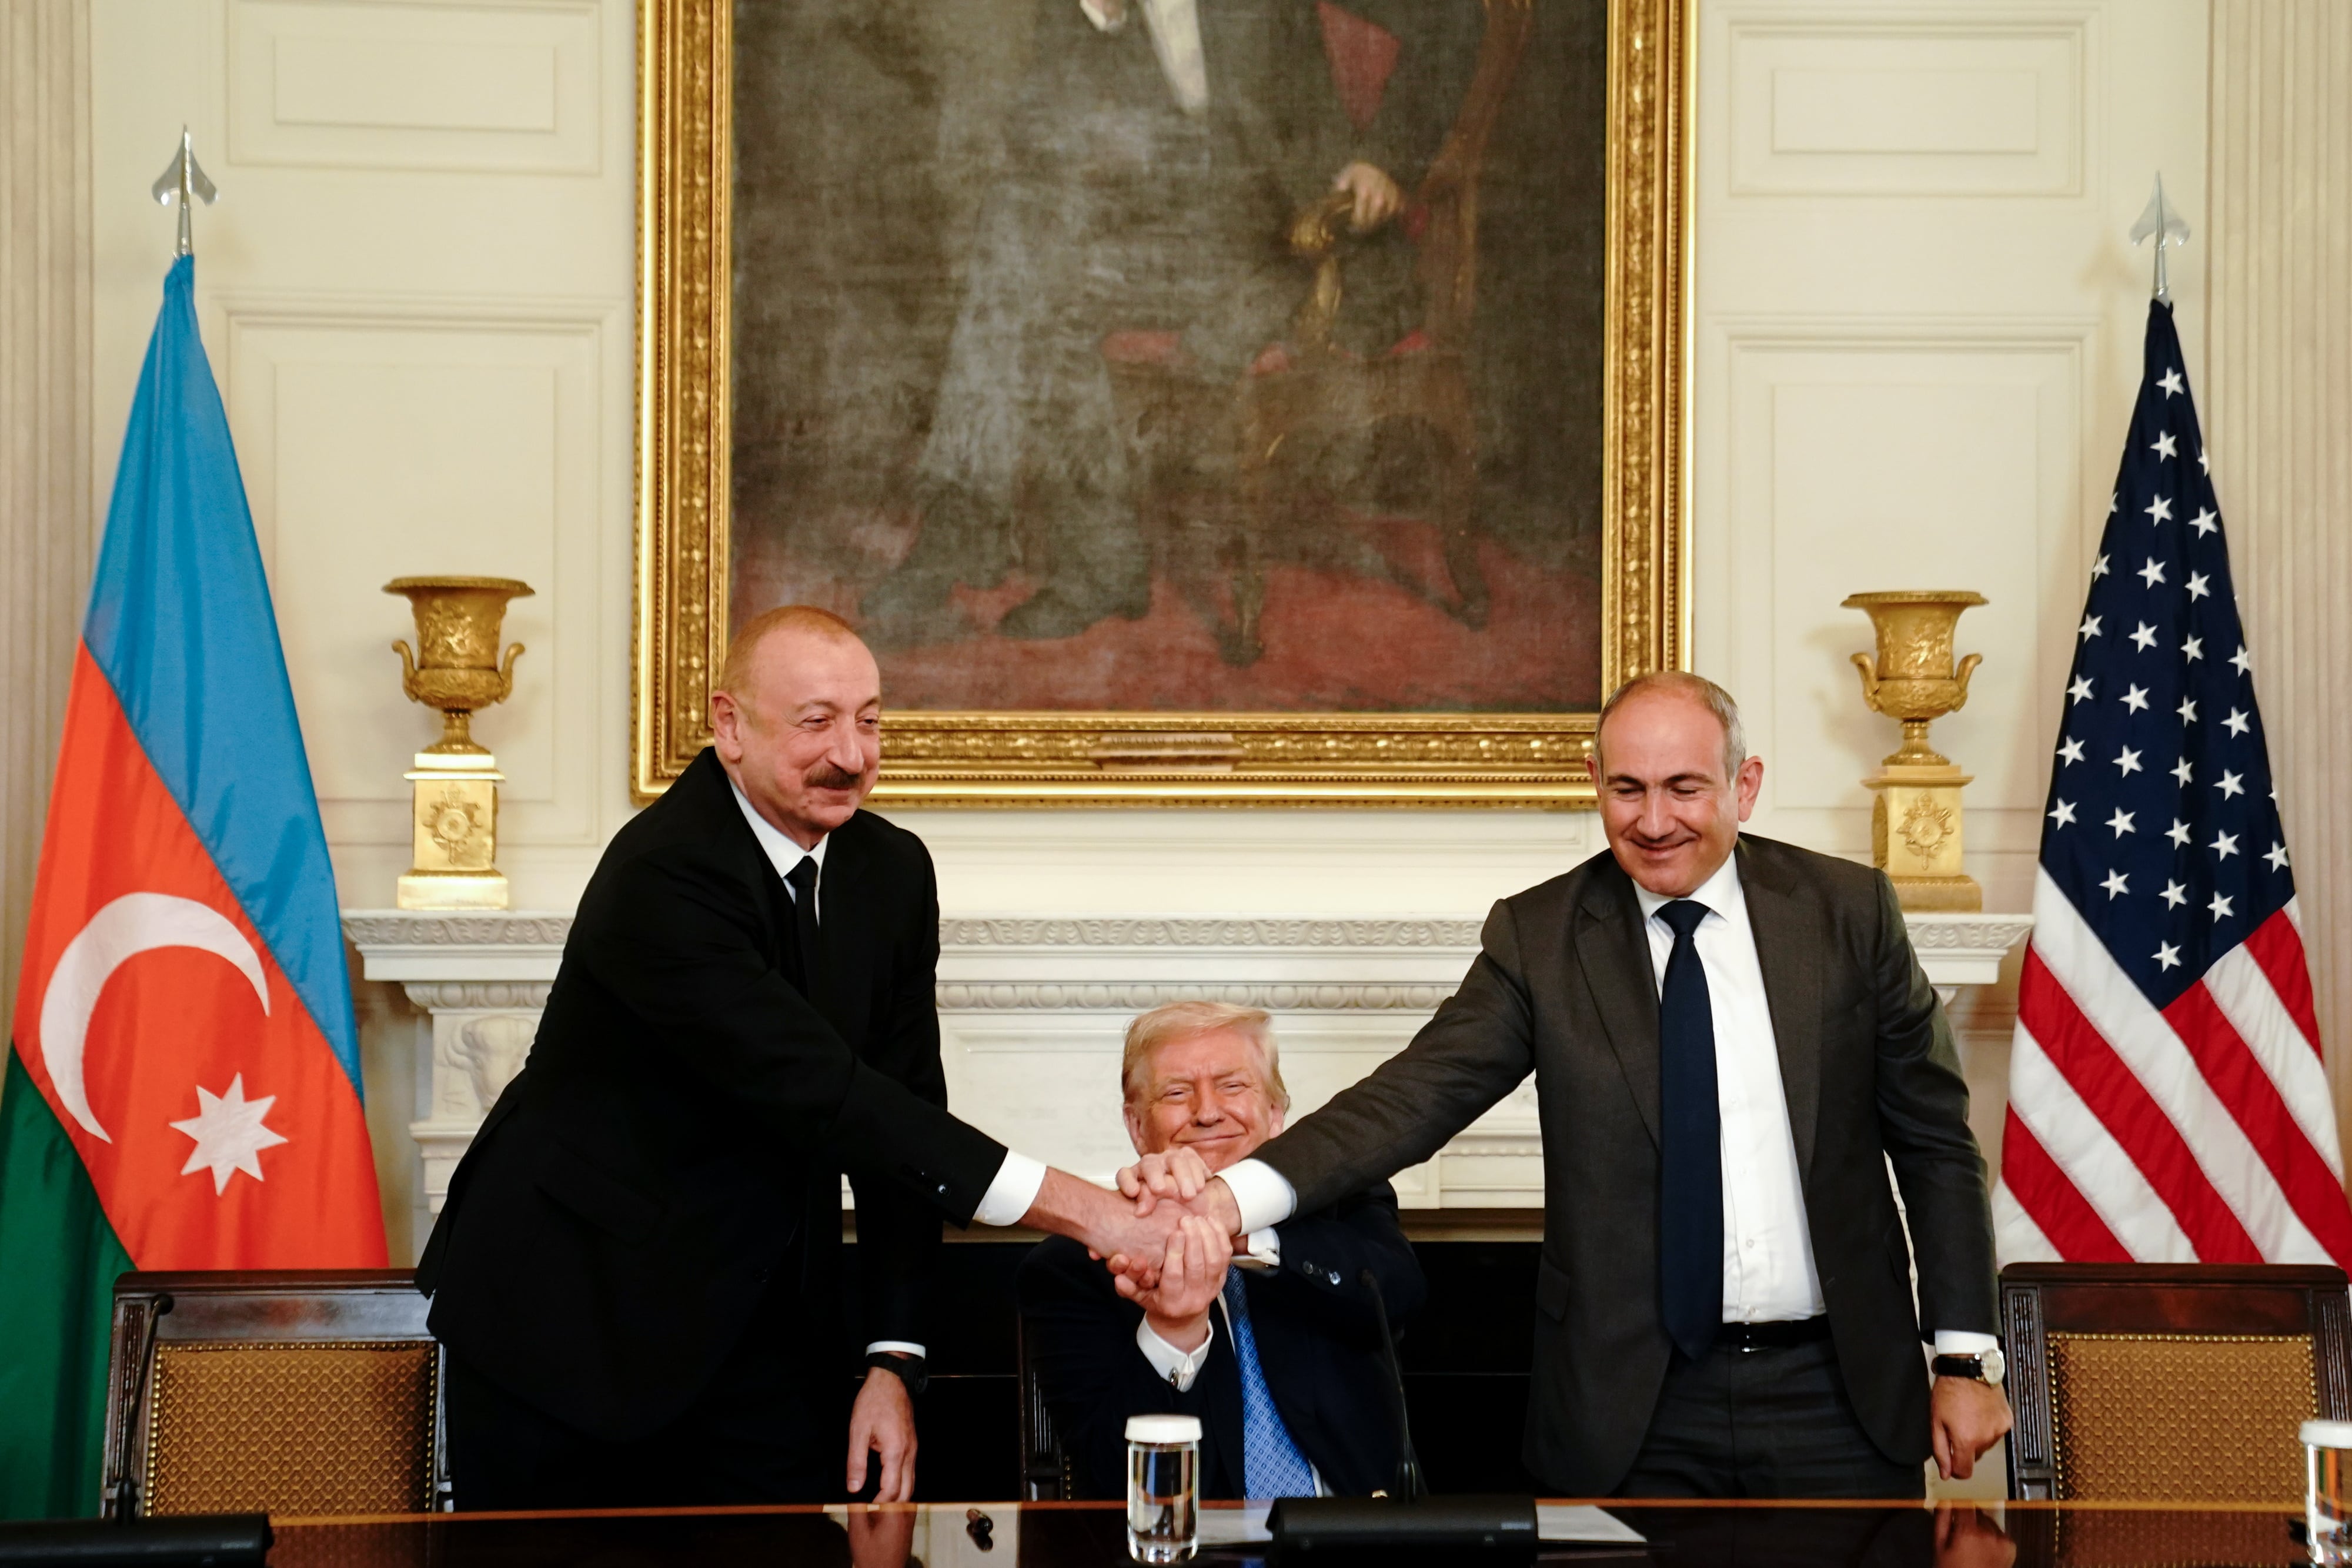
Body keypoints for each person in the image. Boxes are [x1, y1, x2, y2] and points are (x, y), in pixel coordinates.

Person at [1122, 671, 2013, 1497]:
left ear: (1744, 786)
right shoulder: (1541, 936)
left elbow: (1936, 1141)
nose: (1654, 819)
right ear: (1596, 782)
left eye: (1684, 788)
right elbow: (1412, 1096)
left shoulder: (1847, 912)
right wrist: (1224, 1200)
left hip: (1843, 1390)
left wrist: (1964, 1356)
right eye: (1628, 789)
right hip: (1634, 1405)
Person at [415, 606, 1194, 1509]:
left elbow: (908, 1119)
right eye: (817, 721)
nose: (852, 755)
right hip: (568, 1323)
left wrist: (893, 1359)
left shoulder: (892, 871)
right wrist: (1096, 1212)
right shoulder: (664, 875)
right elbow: (838, 1099)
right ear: (729, 724)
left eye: (870, 719)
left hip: (768, 1330)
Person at [861, 0, 1466, 645]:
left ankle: (1003, 537)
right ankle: (1053, 548)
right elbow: (1040, 144)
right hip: (1180, 235)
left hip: (1300, 242)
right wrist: (1101, 23)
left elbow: (1455, 19)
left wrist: (1385, 160)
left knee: (1030, 265)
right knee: (1019, 238)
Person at [1018, 1002, 1425, 1499]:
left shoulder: (1345, 1202)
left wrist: (1239, 1233)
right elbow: (1107, 1483)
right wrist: (1172, 1331)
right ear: (1136, 1125)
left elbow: (1401, 1294)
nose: (1208, 1112)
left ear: (1275, 1113)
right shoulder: (1073, 1266)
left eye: (1233, 1085)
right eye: (1176, 1092)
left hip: (1360, 1537)